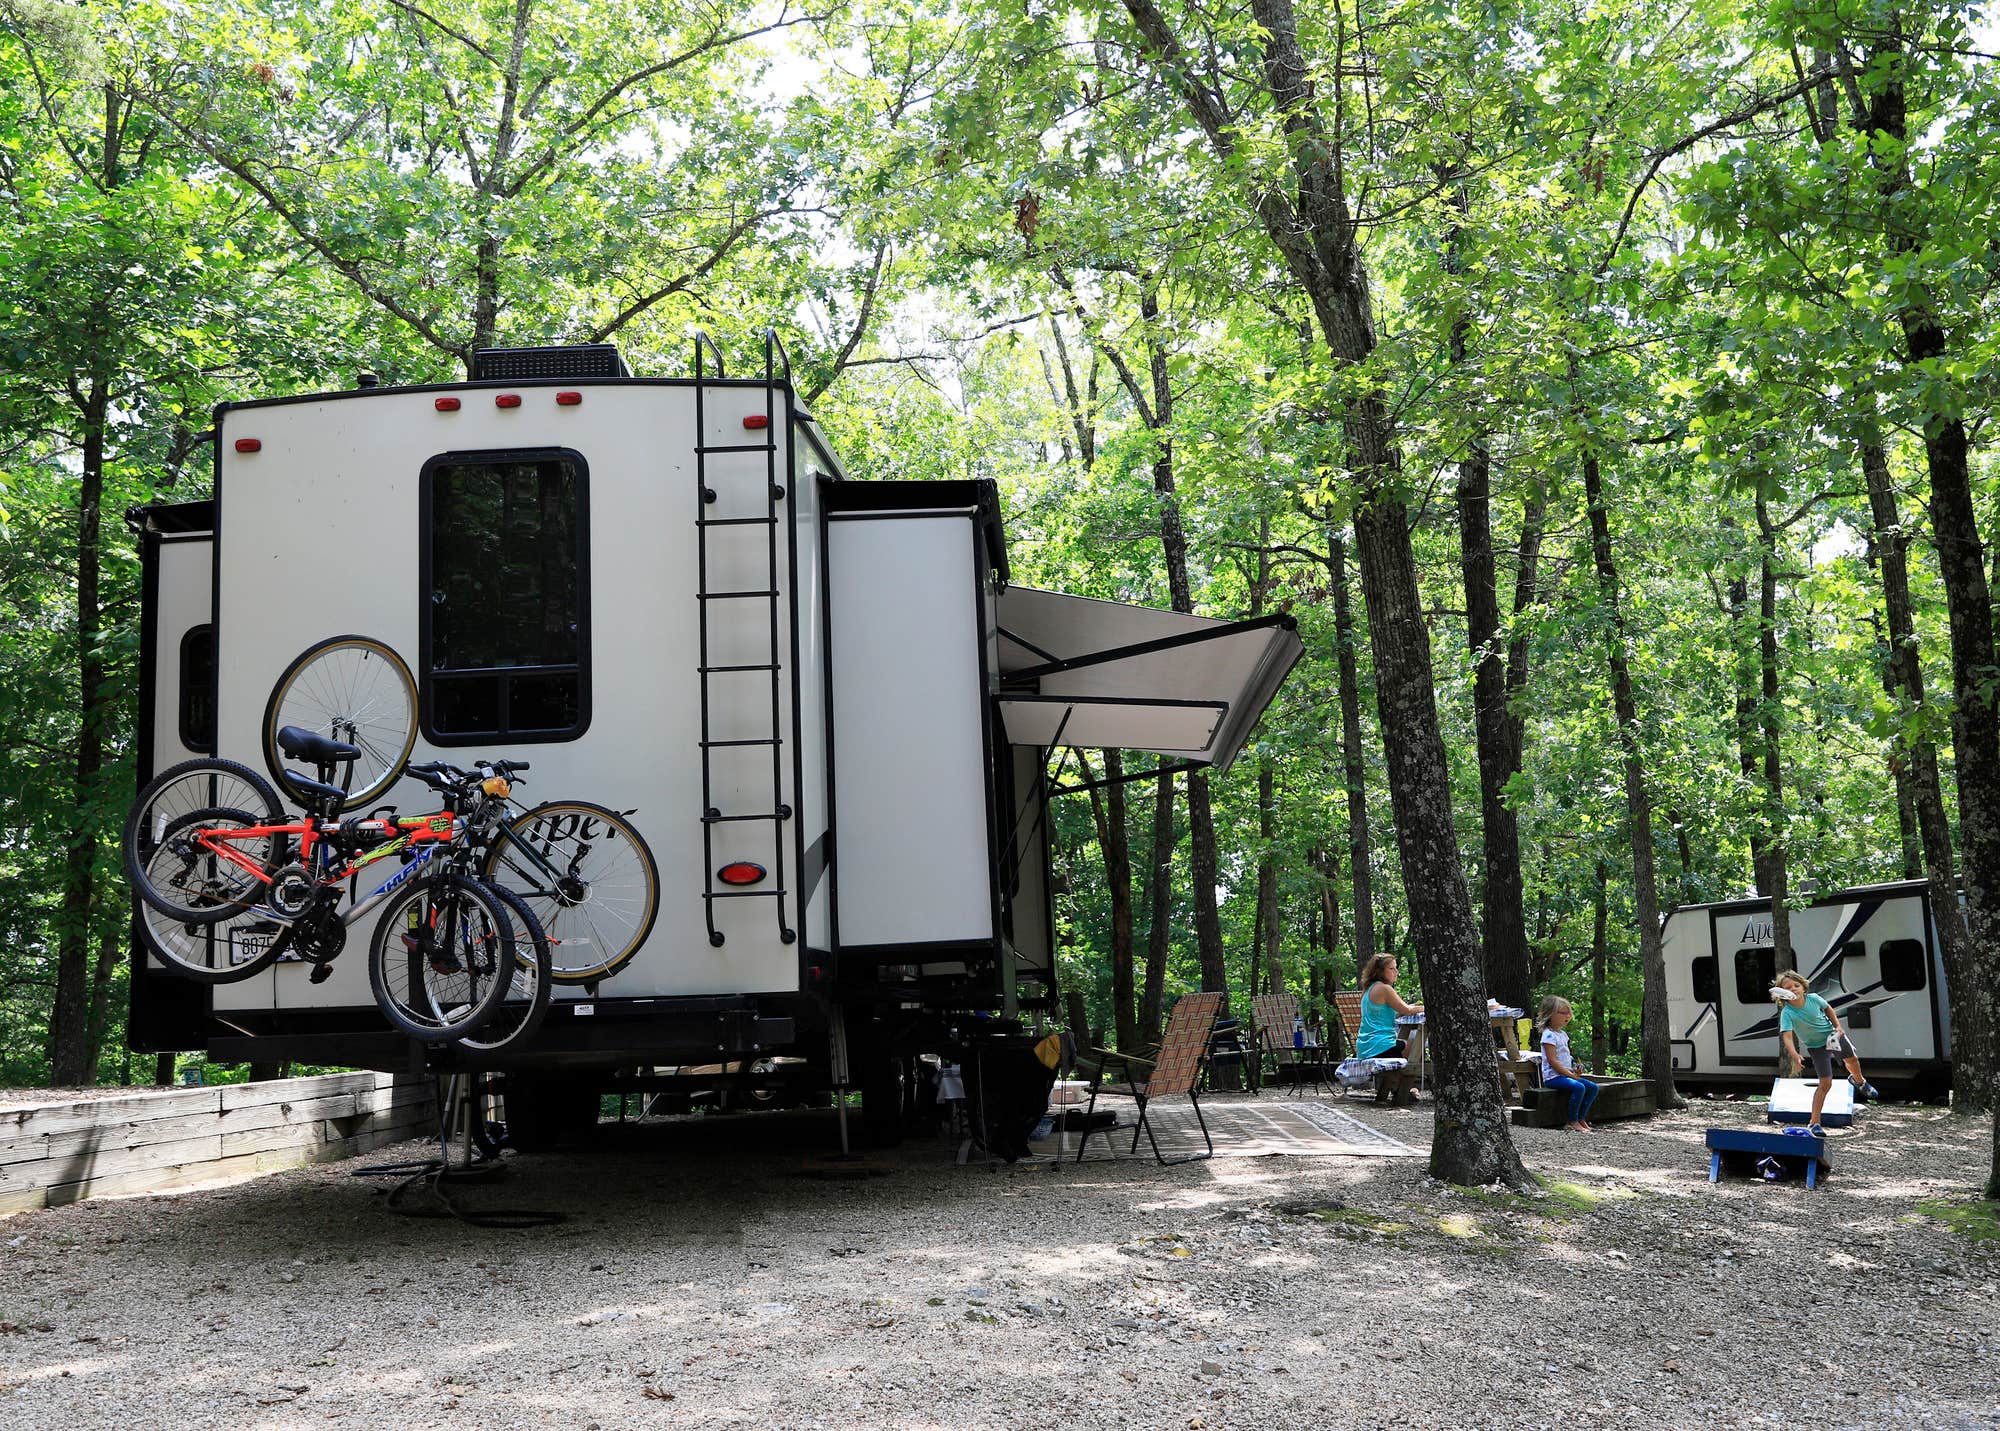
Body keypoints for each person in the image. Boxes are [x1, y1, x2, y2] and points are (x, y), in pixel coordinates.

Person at [1774, 969, 1880, 1135]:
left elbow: (1828, 1009)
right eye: (1788, 988)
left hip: (1832, 1036)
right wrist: (1794, 1054)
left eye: (1796, 985)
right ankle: (1814, 1123)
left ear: (1803, 987)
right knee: (1825, 1083)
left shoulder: (1814, 999)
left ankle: (1859, 1082)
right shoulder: (1787, 1013)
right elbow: (1787, 1036)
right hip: (1816, 1046)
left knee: (1852, 1060)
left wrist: (1838, 1026)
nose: (1793, 989)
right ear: (1782, 994)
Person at [1536, 996, 1599, 1132]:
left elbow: (1565, 1057)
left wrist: (1575, 1069)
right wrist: (1570, 1075)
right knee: (1579, 1087)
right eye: (1563, 1013)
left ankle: (1582, 1117)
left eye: (1569, 1013)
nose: (1568, 1016)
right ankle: (1572, 1120)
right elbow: (1553, 1061)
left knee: (1593, 1087)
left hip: (1566, 1074)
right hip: (1554, 1077)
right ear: (1550, 1015)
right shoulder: (1548, 1036)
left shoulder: (1563, 1034)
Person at [1355, 953, 1422, 1059]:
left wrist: (1412, 1008)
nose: (1396, 972)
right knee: (1414, 1046)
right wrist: (1425, 1008)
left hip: (1363, 1049)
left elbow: (1383, 1015)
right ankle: (1409, 1075)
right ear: (1380, 971)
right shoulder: (1384, 989)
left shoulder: (1367, 989)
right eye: (1391, 968)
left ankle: (1398, 1075)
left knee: (1405, 1043)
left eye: (1396, 968)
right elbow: (1407, 1010)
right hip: (1379, 1047)